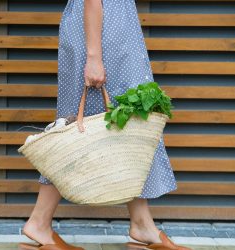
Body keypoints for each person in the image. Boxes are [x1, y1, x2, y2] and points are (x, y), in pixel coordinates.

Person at [19, 0, 190, 249]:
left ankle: (142, 224)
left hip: (108, 35)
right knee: (89, 130)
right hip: (100, 38)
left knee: (129, 129)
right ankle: (39, 221)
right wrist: (94, 57)